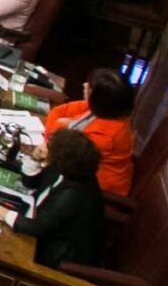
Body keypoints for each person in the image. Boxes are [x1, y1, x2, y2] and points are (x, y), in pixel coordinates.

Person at [0, 127, 105, 269]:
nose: (44, 147)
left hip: (56, 252)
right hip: (39, 219)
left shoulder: (73, 193)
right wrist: (34, 158)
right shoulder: (71, 167)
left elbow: (37, 227)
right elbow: (31, 183)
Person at [44, 69, 136, 198]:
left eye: (90, 87)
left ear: (100, 99)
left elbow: (59, 147)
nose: (85, 85)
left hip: (96, 192)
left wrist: (63, 124)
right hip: (72, 169)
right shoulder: (106, 108)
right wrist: (62, 126)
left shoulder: (107, 137)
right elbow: (57, 112)